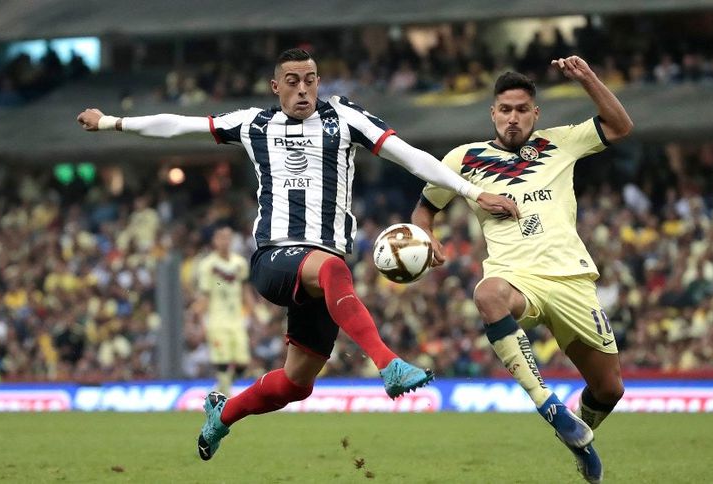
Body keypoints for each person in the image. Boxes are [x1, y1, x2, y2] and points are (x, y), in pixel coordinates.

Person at [77, 48, 519, 461]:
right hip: (275, 258)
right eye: (292, 81)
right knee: (333, 269)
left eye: (310, 80)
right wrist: (112, 122)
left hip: (322, 274)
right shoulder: (253, 124)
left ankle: (223, 415)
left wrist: (471, 192)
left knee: (296, 384)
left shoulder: (344, 118)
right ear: (276, 87)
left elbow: (409, 156)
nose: (303, 89)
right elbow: (179, 125)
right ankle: (389, 364)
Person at [411, 57, 633, 483]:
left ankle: (579, 438)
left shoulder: (561, 142)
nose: (513, 118)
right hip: (515, 277)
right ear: (492, 112)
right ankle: (550, 407)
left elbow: (621, 127)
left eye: (521, 109)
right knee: (487, 294)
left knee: (609, 388)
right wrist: (426, 235)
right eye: (505, 109)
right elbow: (424, 208)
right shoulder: (463, 159)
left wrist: (588, 78)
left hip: (571, 278)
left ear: (536, 113)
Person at [192, 225, 253, 396]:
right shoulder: (208, 265)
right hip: (217, 320)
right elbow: (204, 295)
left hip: (237, 319)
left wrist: (255, 314)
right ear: (214, 241)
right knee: (223, 360)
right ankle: (226, 396)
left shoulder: (240, 263)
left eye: (227, 238)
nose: (224, 241)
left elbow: (245, 291)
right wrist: (200, 321)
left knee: (242, 362)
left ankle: (220, 387)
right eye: (221, 238)